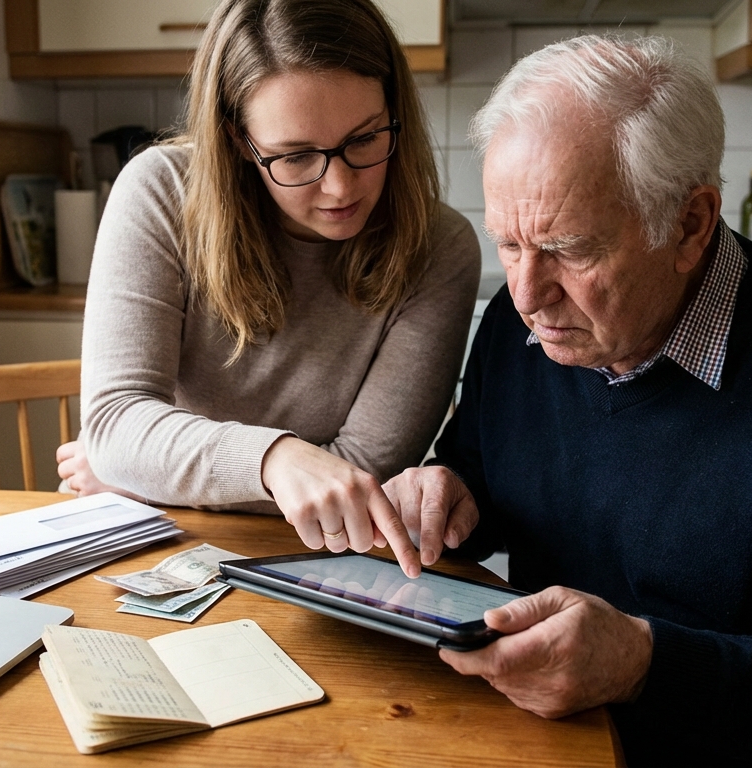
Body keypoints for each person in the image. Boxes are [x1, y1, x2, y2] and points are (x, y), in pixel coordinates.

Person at [382, 35, 752, 766]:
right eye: (509, 246)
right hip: (536, 736)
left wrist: (642, 665)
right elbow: (485, 476)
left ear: (689, 225)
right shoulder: (524, 330)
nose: (526, 295)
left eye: (569, 249)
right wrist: (446, 494)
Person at [59, 0, 480, 577]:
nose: (340, 186)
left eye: (364, 139)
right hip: (154, 549)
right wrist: (274, 461)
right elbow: (116, 423)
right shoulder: (160, 192)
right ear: (238, 140)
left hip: (317, 565)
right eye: (296, 156)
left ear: (394, 111)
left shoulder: (441, 248)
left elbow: (360, 478)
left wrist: (147, 472)